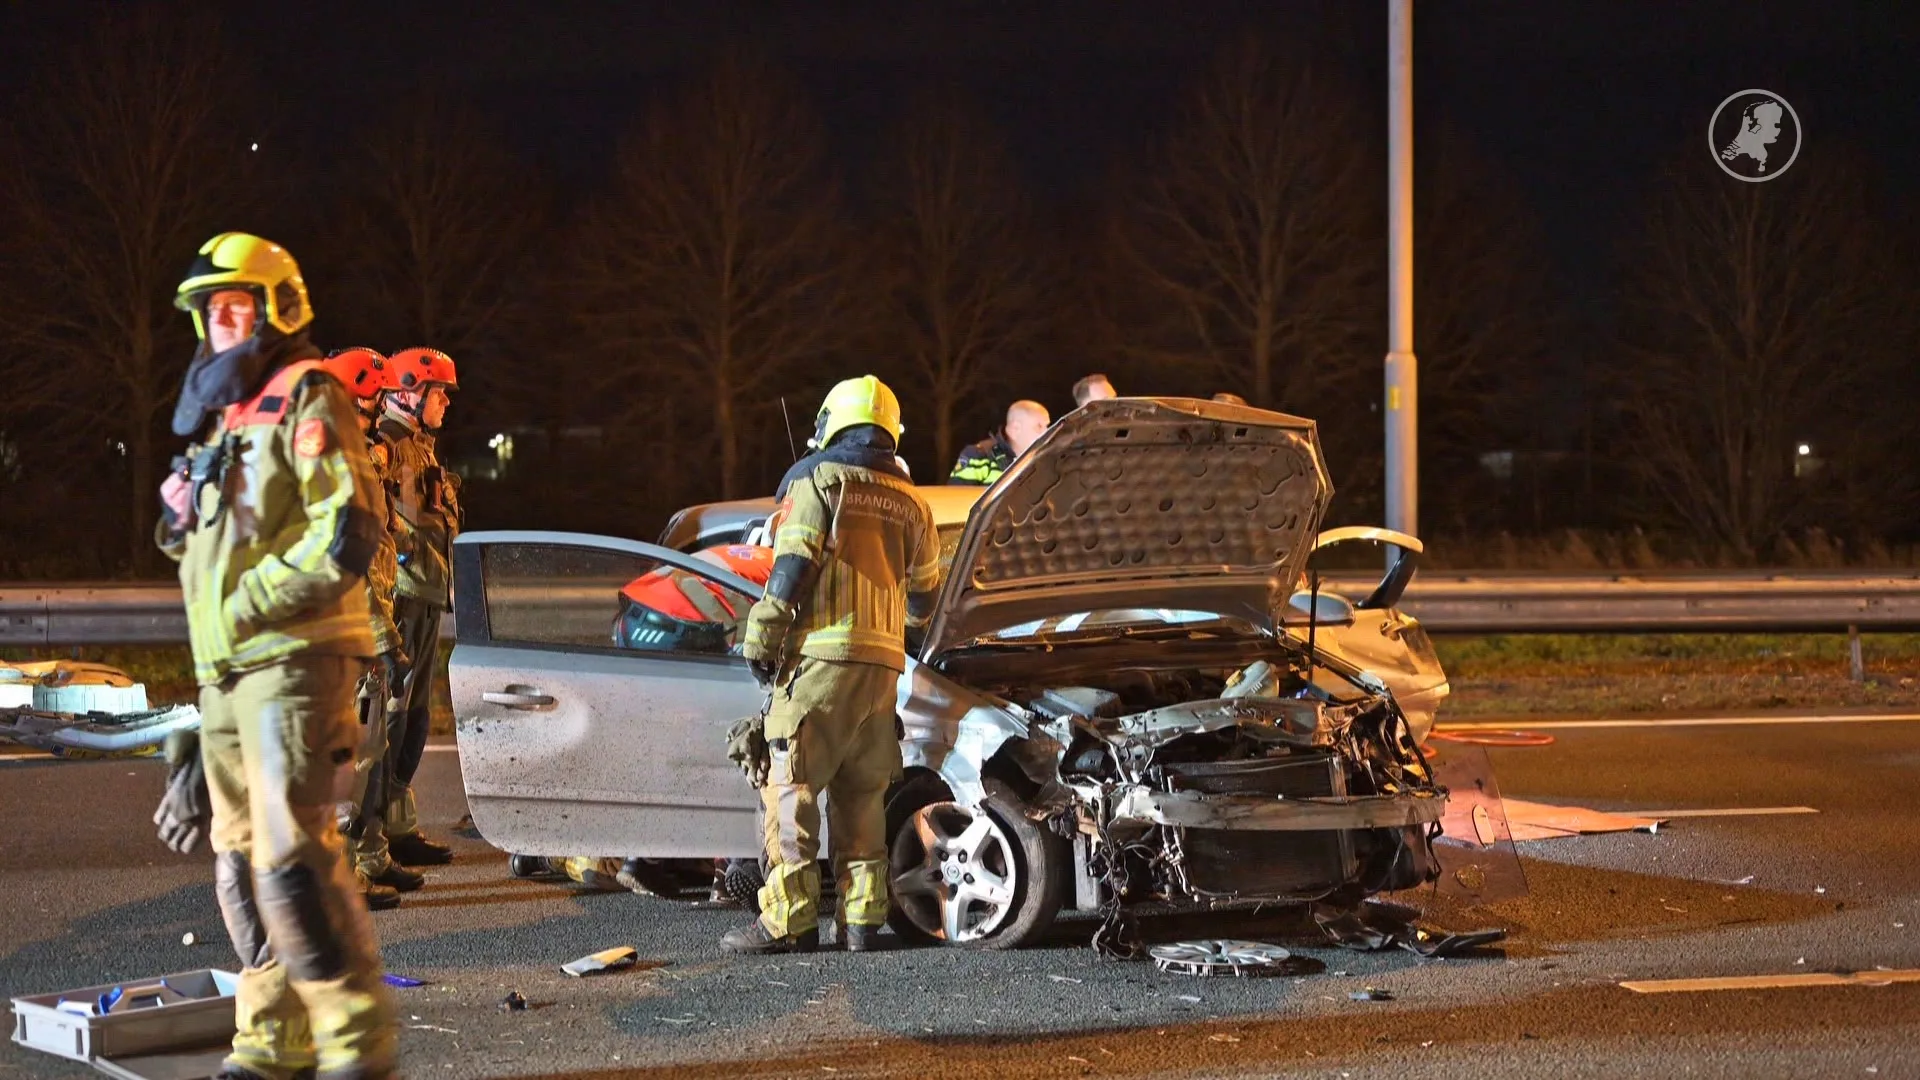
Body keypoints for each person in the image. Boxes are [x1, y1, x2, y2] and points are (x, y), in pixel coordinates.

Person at [155, 232, 396, 1080]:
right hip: (229, 673)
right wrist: (178, 515)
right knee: (238, 865)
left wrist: (249, 605)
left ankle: (355, 1046)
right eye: (210, 313)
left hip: (294, 659)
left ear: (275, 310)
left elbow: (347, 533)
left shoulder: (308, 391)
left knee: (292, 859)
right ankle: (272, 1041)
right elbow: (214, 550)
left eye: (235, 309)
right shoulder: (226, 416)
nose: (222, 326)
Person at [722, 375, 943, 954]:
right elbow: (925, 597)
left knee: (790, 790)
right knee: (862, 796)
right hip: (881, 673)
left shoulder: (819, 480)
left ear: (831, 423)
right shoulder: (913, 502)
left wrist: (761, 637)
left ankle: (788, 921)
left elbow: (791, 567)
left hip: (819, 661)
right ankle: (862, 921)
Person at [319, 346, 421, 906]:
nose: (382, 408)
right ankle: (341, 882)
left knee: (371, 753)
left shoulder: (356, 459)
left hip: (366, 627)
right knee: (352, 764)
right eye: (374, 398)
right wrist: (383, 644)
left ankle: (367, 860)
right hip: (351, 637)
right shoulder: (339, 464)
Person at [370, 347, 462, 871]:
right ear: (408, 392)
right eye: (439, 391)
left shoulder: (420, 449)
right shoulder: (386, 447)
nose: (445, 401)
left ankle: (397, 826)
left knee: (416, 718)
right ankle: (375, 835)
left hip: (426, 597)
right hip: (402, 597)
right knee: (394, 718)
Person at [948, 399, 1049, 486]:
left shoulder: (1048, 461)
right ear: (1015, 429)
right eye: (1039, 427)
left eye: (1047, 426)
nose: (1047, 432)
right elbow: (955, 501)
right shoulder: (979, 457)